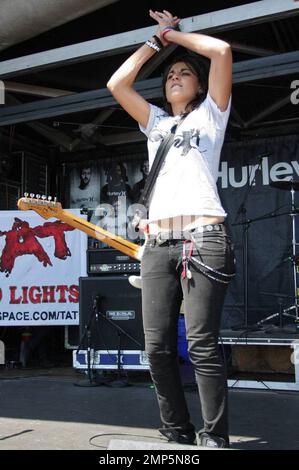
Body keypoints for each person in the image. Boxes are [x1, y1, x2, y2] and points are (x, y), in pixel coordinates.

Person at [107, 9, 235, 448]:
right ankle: (176, 434)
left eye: (185, 74)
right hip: (159, 244)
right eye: (170, 76)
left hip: (204, 238)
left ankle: (214, 437)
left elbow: (220, 51)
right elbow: (116, 85)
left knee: (200, 345)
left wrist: (175, 36)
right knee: (157, 350)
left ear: (200, 85)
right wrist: (154, 45)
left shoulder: (211, 117)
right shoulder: (156, 124)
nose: (176, 77)